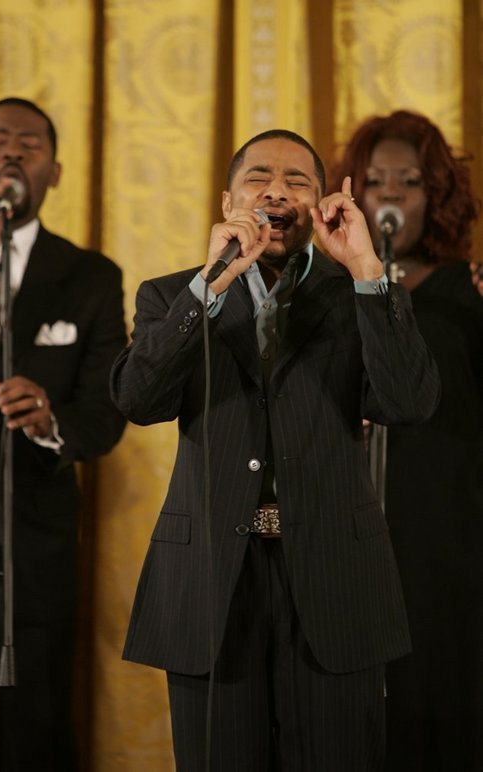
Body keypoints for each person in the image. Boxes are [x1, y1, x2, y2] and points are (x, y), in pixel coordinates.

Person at [110, 128, 440, 771]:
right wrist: (210, 285)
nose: (277, 193)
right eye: (259, 178)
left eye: (298, 182)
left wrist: (368, 271)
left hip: (334, 582)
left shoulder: (362, 294)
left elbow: (410, 403)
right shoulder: (174, 294)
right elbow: (136, 400)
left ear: (324, 203)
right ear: (229, 198)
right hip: (211, 586)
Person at [0, 97, 127, 771]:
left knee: (33, 718)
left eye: (29, 143)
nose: (12, 151)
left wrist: (50, 423)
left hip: (37, 541)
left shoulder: (90, 277)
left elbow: (107, 410)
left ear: (55, 171)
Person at [327, 109, 483, 772]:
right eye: (376, 180)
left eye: (410, 182)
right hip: (344, 534)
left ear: (435, 197)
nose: (389, 195)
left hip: (444, 540)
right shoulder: (330, 293)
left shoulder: (468, 293)